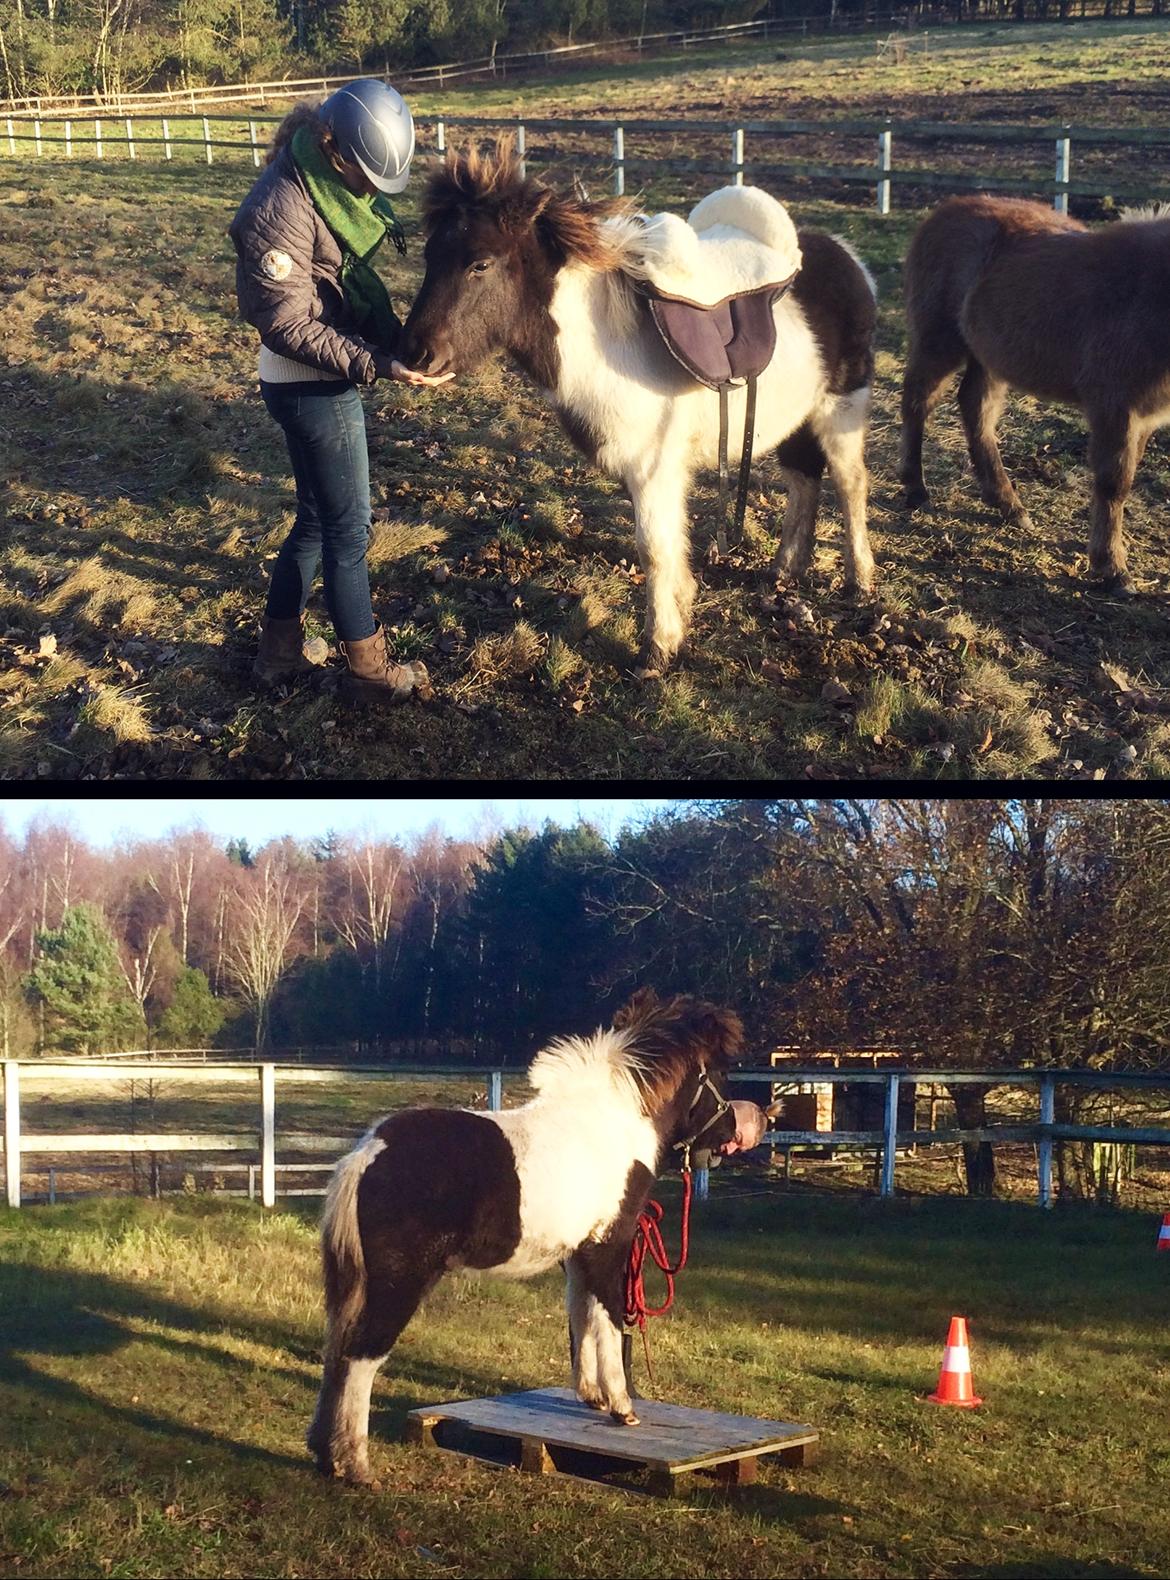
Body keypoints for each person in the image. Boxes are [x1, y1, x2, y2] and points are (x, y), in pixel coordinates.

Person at [229, 79, 452, 703]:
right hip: (311, 387)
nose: (370, 193)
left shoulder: (317, 184)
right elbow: (286, 324)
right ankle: (370, 672)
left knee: (315, 521)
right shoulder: (279, 209)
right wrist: (377, 363)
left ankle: (277, 655)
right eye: (366, 177)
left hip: (310, 381)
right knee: (351, 532)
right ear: (337, 152)